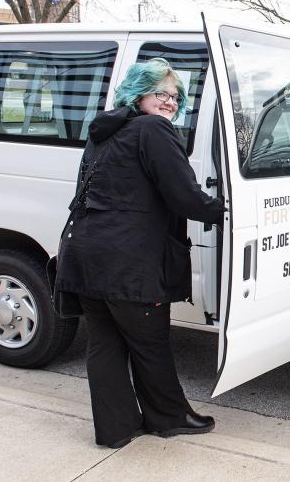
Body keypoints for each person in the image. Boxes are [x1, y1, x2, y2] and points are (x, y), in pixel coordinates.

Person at [54, 58, 224, 449]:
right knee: (150, 342)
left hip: (84, 255)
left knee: (105, 344)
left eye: (175, 95)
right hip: (127, 261)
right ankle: (169, 418)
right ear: (138, 93)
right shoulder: (153, 130)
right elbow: (183, 196)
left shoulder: (104, 130)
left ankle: (115, 429)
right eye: (159, 92)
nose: (168, 101)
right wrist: (224, 211)